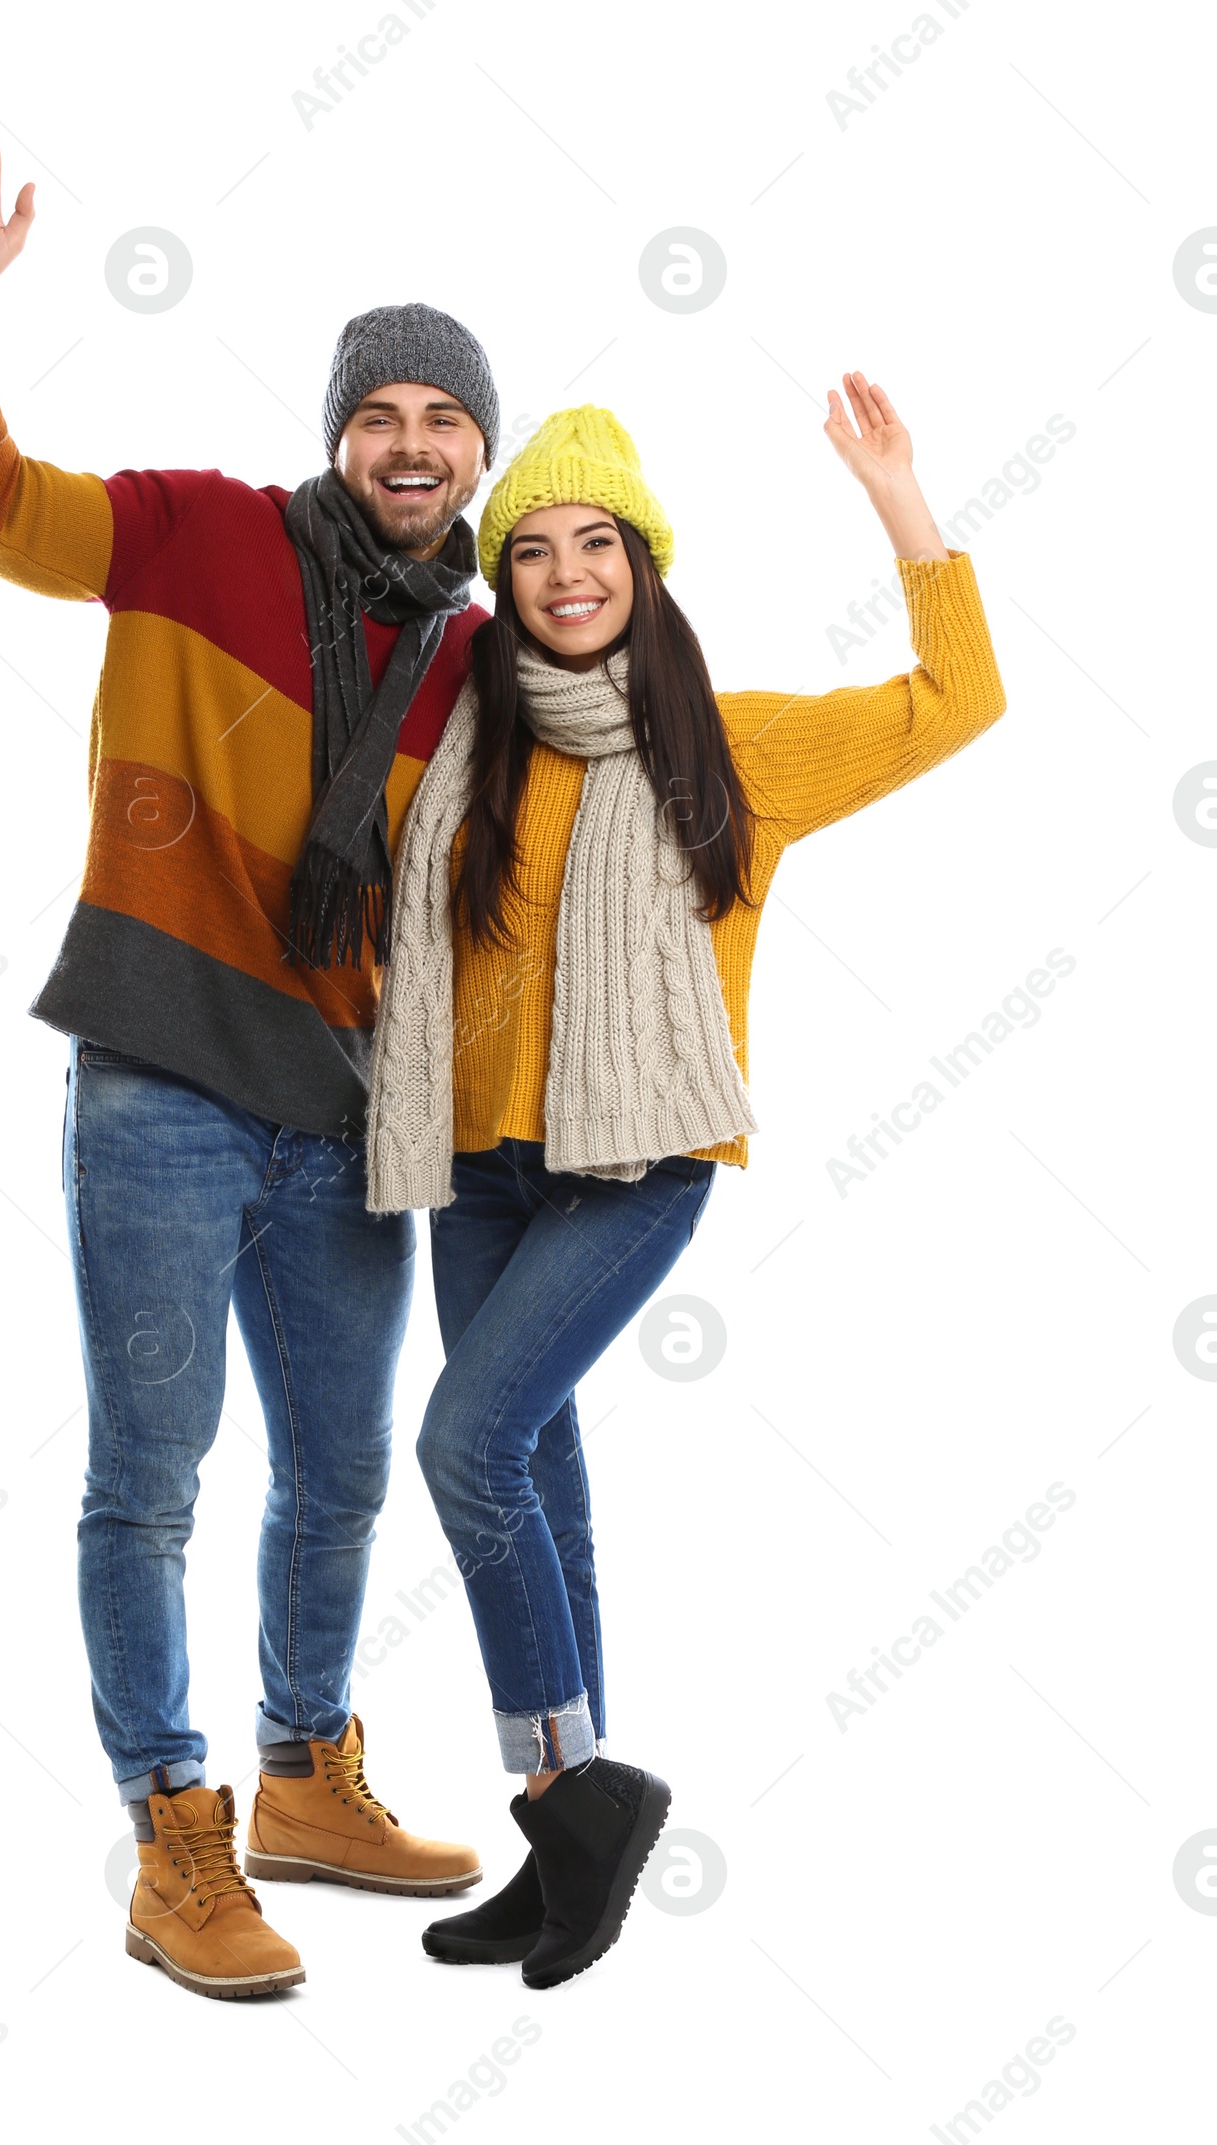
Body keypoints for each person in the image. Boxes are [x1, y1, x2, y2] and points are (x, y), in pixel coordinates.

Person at [0, 113, 496, 2000]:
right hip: (161, 1083)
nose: (410, 449)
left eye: (445, 426)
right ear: (341, 434)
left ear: (477, 455)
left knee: (338, 1474)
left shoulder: (484, 664)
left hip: (347, 1117)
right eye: (382, 415)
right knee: (150, 1478)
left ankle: (305, 1774)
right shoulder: (189, 535)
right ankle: (176, 1834)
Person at [364, 390, 1007, 1989]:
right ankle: (564, 1817)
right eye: (532, 550)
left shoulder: (736, 747)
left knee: (465, 1441)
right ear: (502, 580)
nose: (566, 571)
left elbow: (959, 699)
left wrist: (900, 501)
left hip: (638, 1165)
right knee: (537, 1467)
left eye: (598, 543)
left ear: (645, 566)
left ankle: (574, 1796)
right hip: (481, 1166)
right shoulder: (463, 741)